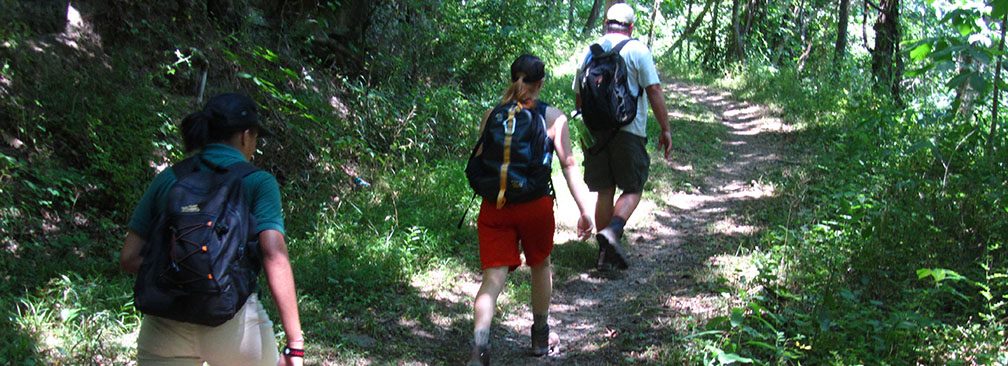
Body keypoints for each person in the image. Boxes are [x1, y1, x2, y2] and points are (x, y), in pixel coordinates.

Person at [119, 93, 305, 366]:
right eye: (254, 137)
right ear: (245, 136)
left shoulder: (169, 178)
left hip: (163, 328)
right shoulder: (258, 182)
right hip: (235, 329)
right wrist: (295, 344)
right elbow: (273, 256)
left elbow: (128, 258)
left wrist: (181, 269)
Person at [468, 54, 595, 365]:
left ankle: (478, 350)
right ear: (541, 83)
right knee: (540, 265)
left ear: (512, 78)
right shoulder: (554, 118)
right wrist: (585, 211)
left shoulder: (492, 115)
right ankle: (540, 337)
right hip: (535, 206)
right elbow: (568, 167)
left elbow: (484, 161)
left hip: (494, 206)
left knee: (492, 279)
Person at [574, 2, 672, 271]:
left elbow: (580, 95)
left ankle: (603, 257)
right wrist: (665, 128)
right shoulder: (638, 49)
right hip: (629, 130)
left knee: (604, 191)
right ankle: (613, 231)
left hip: (596, 131)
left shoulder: (589, 51)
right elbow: (653, 90)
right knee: (633, 187)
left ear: (606, 23)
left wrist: (585, 131)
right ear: (631, 27)